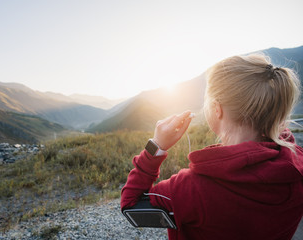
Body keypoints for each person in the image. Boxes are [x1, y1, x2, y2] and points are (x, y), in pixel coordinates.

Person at [121, 54, 303, 240]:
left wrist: (157, 146)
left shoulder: (191, 188)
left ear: (217, 109)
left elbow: (130, 205)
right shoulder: (298, 168)